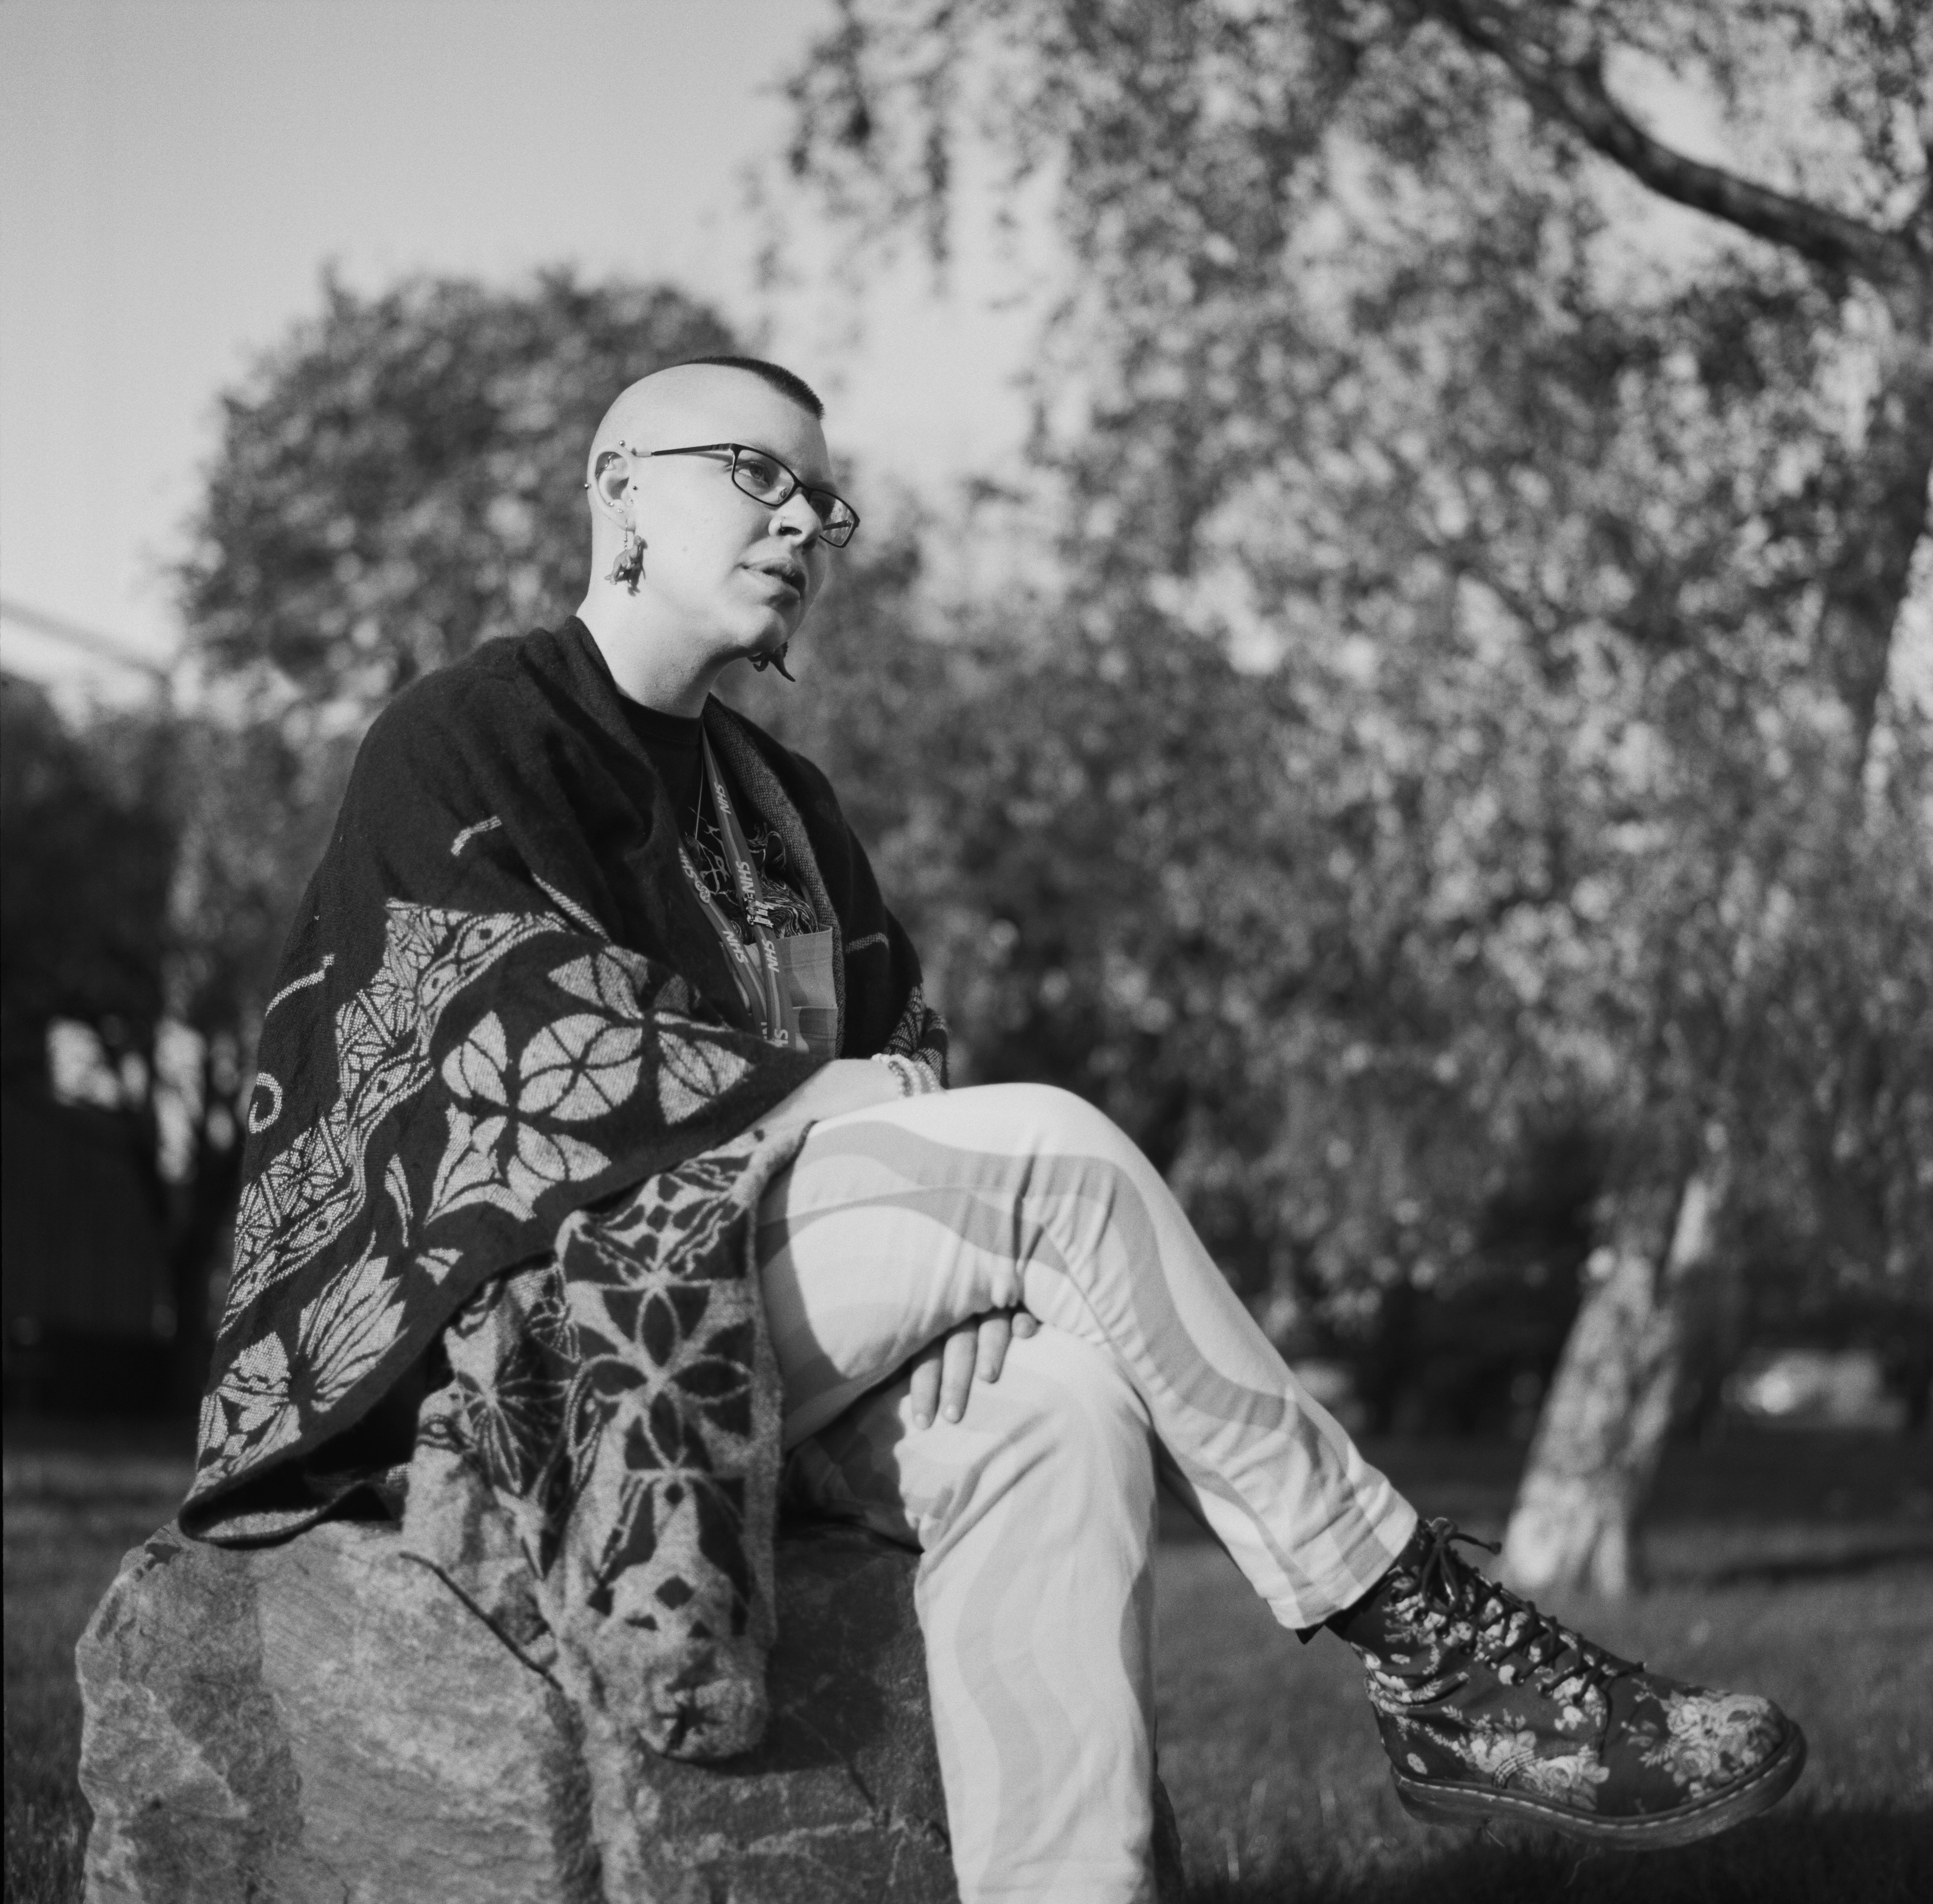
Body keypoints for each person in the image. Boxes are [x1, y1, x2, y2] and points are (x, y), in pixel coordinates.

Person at [187, 357, 1804, 1902]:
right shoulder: (471, 727)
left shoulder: (781, 801)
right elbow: (482, 1045)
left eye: (827, 503)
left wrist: (961, 1272)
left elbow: (903, 1052)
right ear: (618, 487)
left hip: (762, 1319)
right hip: (533, 1337)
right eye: (758, 476)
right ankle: (1428, 1635)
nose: (805, 524)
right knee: (1040, 1141)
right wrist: (858, 1122)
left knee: (1058, 1392)